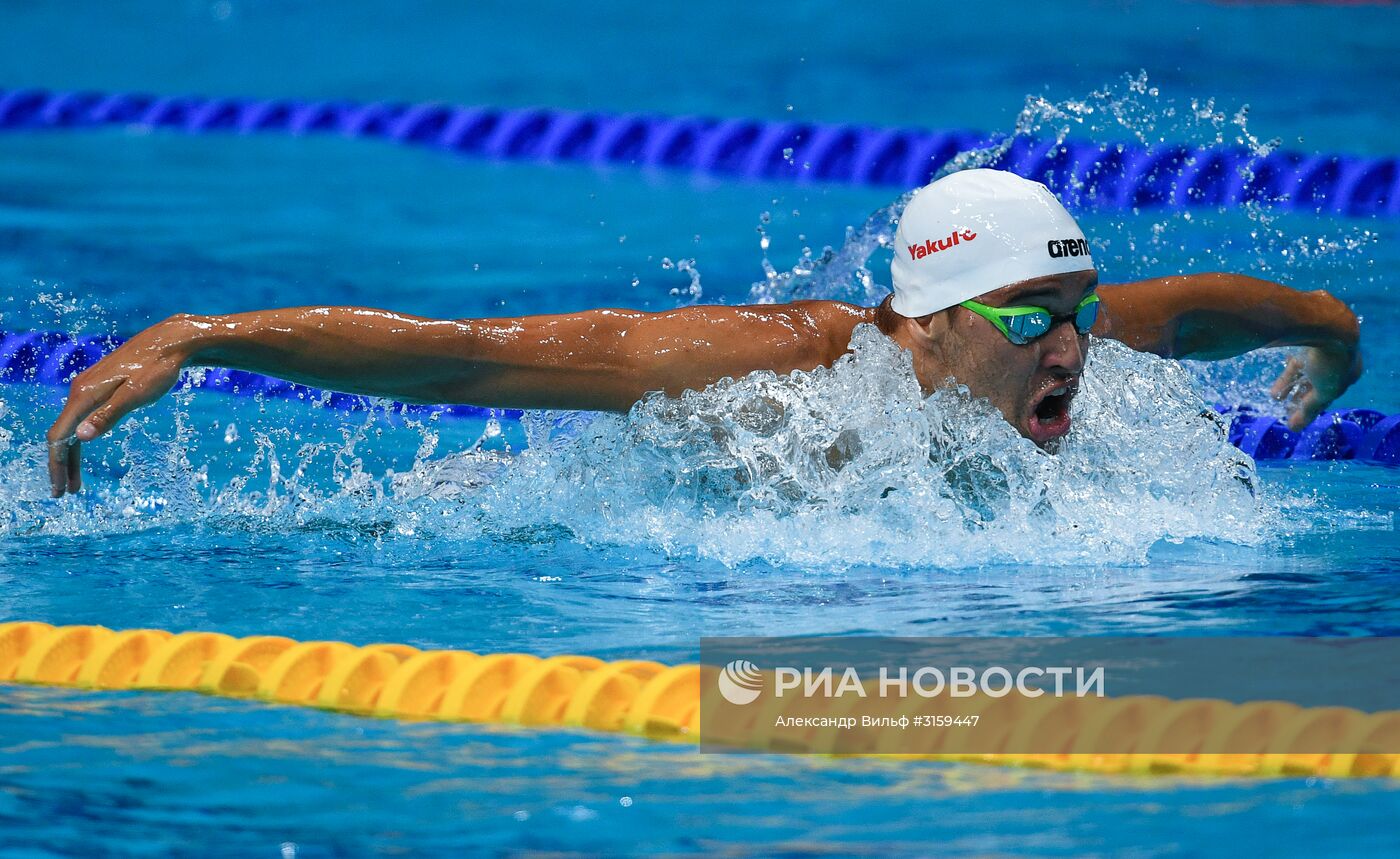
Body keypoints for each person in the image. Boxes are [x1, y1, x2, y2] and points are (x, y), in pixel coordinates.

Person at [45, 169, 1362, 497]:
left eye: (1080, 312)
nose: (1076, 346)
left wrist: (1337, 342)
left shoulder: (1055, 335)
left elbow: (1210, 308)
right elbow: (462, 353)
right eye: (1035, 317)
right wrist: (206, 332)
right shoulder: (785, 368)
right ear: (929, 321)